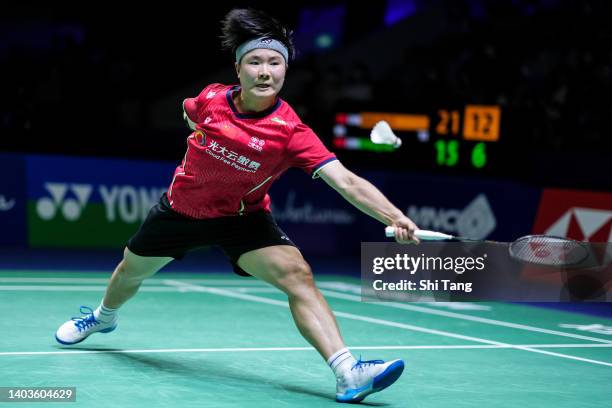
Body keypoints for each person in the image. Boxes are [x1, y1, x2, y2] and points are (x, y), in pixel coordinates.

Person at [55, 8, 419, 403]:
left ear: (285, 70)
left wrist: (394, 216)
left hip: (242, 218)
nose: (265, 72)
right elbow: (187, 109)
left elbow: (346, 181)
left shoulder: (292, 133)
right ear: (239, 69)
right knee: (130, 273)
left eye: (275, 63)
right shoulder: (211, 98)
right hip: (180, 212)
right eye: (255, 62)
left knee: (298, 275)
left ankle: (348, 372)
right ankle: (102, 318)